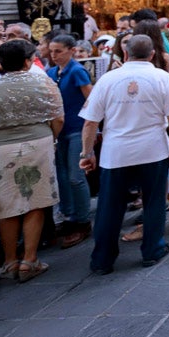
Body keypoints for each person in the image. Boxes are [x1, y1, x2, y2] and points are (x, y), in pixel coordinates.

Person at [79, 35, 169, 275]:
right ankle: (153, 249)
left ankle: (102, 259)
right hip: (153, 150)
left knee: (109, 206)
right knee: (154, 201)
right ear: (152, 55)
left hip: (116, 152)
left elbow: (90, 122)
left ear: (125, 54)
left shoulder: (108, 79)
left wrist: (86, 153)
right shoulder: (161, 77)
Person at [0, 39, 64, 282]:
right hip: (39, 143)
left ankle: (10, 261)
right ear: (27, 60)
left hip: (2, 149)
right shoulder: (43, 82)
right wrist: (51, 136)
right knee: (36, 201)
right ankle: (29, 259)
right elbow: (58, 117)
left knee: (6, 204)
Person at [47, 33, 94, 250]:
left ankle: (83, 220)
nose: (54, 55)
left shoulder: (77, 71)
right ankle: (70, 215)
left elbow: (90, 99)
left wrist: (90, 125)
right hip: (59, 130)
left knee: (76, 176)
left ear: (71, 51)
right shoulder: (51, 72)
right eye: (52, 51)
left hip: (76, 129)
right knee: (63, 176)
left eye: (59, 51)